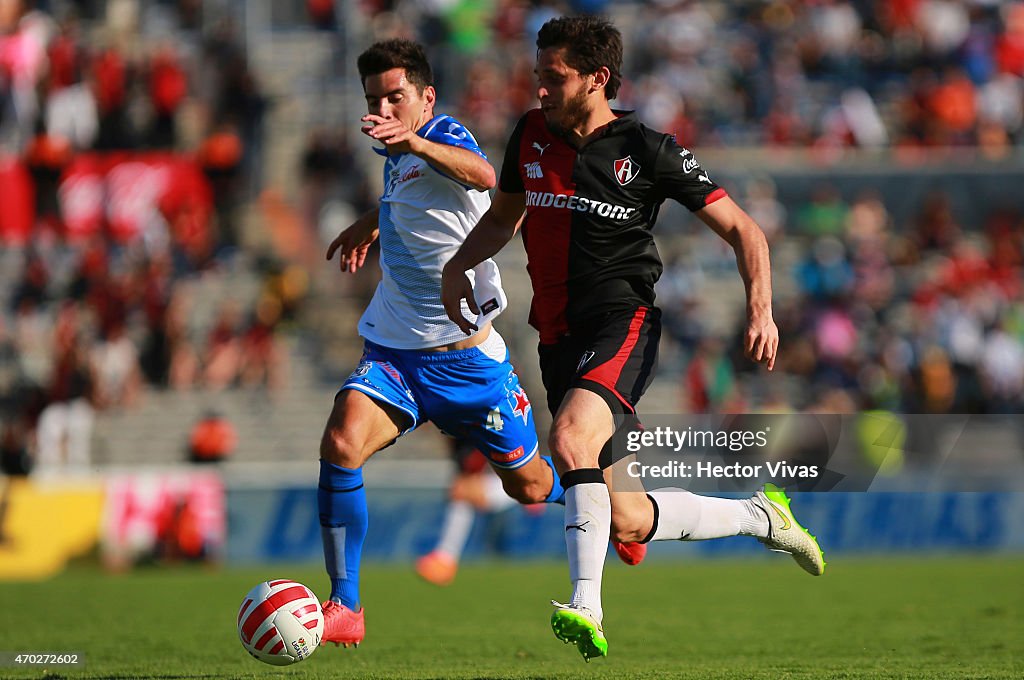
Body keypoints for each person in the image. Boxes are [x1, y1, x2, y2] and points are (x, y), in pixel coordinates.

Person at [442, 16, 825, 662]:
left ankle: (586, 605)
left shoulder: (648, 150)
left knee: (568, 439)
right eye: (537, 76)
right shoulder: (530, 135)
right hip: (558, 336)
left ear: (598, 79)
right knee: (626, 519)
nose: (539, 90)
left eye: (554, 78)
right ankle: (762, 517)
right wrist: (457, 264)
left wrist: (761, 310)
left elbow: (745, 231)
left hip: (623, 323)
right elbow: (503, 219)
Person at [316, 39, 568, 649]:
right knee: (342, 440)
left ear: (426, 97)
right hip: (398, 355)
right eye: (374, 98)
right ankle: (345, 606)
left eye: (395, 97)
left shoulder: (444, 133)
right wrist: (370, 222)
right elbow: (419, 200)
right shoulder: (398, 154)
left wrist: (417, 142)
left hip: (466, 362)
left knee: (531, 487)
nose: (383, 109)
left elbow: (483, 176)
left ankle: (603, 500)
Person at [414, 437, 522, 586]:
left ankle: (445, 559)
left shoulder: (474, 429)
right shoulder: (458, 439)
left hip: (522, 480)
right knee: (461, 499)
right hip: (501, 481)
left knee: (463, 496)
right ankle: (444, 559)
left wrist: (470, 484)